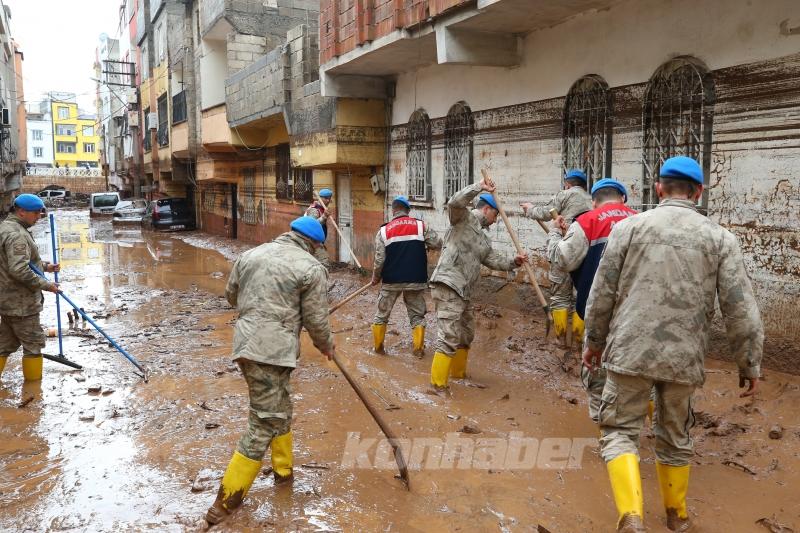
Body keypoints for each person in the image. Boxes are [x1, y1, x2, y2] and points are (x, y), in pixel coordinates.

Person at [582, 156, 763, 532]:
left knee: (619, 431)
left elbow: (601, 294)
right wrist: (749, 363)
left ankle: (631, 517)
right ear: (698, 192)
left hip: (629, 351)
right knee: (676, 436)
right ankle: (676, 517)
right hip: (683, 359)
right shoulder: (720, 239)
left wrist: (593, 342)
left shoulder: (629, 229)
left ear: (659, 189)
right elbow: (739, 307)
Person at [206, 216, 334, 525]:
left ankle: (283, 474)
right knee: (264, 422)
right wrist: (327, 346)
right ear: (315, 245)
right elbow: (316, 319)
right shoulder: (311, 267)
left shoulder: (251, 255)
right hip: (272, 352)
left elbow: (231, 295)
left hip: (246, 344)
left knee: (280, 409)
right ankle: (224, 504)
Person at [547, 178, 637, 423]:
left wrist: (557, 232)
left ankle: (609, 442)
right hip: (639, 319)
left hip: (600, 318)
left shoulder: (587, 221)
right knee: (640, 384)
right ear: (624, 198)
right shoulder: (642, 221)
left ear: (594, 201)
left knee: (598, 384)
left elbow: (563, 260)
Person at [428, 176, 528, 391]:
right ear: (486, 210)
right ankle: (437, 388)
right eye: (496, 215)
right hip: (448, 284)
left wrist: (514, 262)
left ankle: (458, 375)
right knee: (448, 336)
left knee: (466, 334)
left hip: (464, 292)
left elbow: (493, 259)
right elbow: (455, 202)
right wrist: (478, 187)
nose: (496, 220)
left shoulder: (484, 239)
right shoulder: (462, 218)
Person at [521, 169, 592, 344]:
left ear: (568, 184)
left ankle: (561, 342)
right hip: (585, 252)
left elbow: (546, 212)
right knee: (581, 298)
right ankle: (577, 344)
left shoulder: (565, 194)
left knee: (560, 297)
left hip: (563, 250)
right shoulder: (592, 200)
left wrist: (530, 209)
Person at [371, 195, 441, 357]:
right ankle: (418, 350)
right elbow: (437, 243)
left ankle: (379, 349)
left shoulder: (383, 231)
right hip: (416, 279)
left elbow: (379, 259)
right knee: (417, 316)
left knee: (381, 315)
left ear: (393, 210)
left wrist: (376, 277)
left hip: (391, 280)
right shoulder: (420, 226)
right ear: (408, 211)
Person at [0, 194, 60, 381]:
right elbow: (19, 269)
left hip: (7, 300)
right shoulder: (17, 234)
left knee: (4, 344)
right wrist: (47, 285)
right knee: (34, 346)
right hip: (21, 303)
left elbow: (23, 262)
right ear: (21, 211)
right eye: (35, 213)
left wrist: (46, 267)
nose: (38, 217)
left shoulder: (6, 227)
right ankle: (33, 394)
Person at [306, 188, 334, 268]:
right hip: (312, 240)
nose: (328, 200)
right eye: (325, 198)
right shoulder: (314, 210)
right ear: (320, 198)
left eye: (329, 198)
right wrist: (324, 216)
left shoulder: (322, 208)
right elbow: (313, 225)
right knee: (323, 262)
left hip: (318, 240)